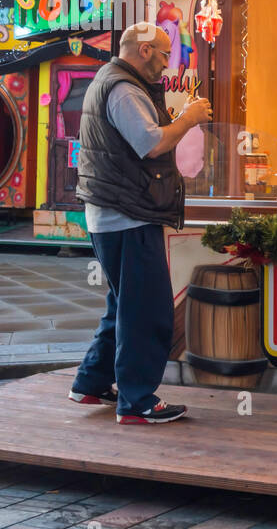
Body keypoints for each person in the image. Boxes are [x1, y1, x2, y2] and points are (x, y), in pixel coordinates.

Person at [71, 21, 212, 424]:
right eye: (165, 54)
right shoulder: (124, 88)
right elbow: (151, 143)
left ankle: (90, 382)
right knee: (147, 310)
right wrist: (188, 118)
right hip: (127, 215)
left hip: (116, 212)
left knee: (123, 304)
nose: (168, 64)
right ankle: (137, 401)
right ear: (144, 50)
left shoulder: (111, 80)